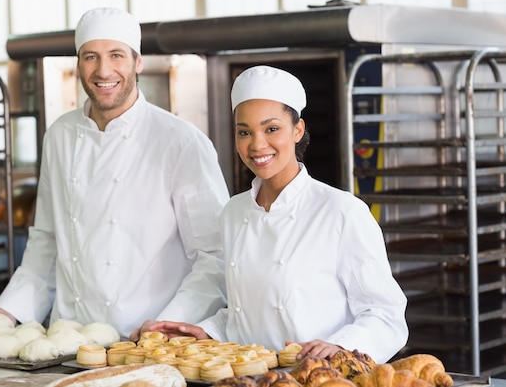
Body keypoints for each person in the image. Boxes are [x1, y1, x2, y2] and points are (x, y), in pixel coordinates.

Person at [0, 7, 230, 339]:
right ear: (78, 64)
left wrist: (171, 323)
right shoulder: (60, 135)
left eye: (116, 55)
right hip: (68, 341)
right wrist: (9, 310)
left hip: (146, 339)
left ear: (137, 62)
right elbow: (47, 242)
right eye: (91, 57)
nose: (103, 70)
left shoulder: (180, 141)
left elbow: (215, 256)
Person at [147, 65, 408, 363]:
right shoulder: (233, 212)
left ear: (297, 130)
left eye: (271, 129)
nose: (257, 145)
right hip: (248, 379)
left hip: (317, 379)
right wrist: (207, 331)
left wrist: (341, 347)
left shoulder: (341, 212)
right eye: (244, 132)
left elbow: (385, 314)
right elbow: (247, 313)